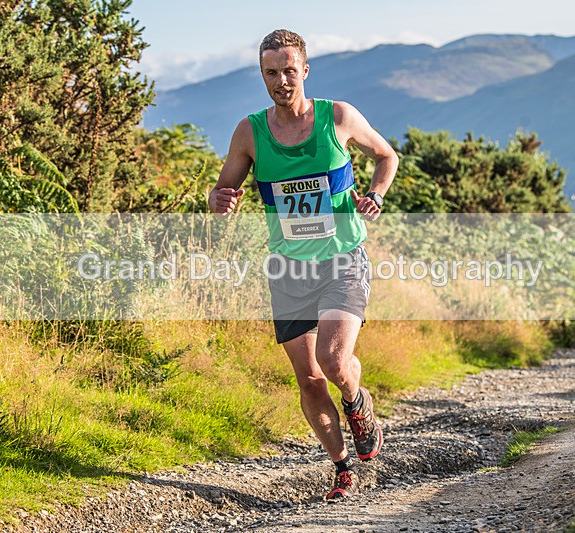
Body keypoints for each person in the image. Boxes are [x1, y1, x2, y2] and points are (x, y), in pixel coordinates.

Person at [208, 29, 398, 501]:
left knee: (334, 361)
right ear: (262, 75)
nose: (281, 81)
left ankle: (357, 401)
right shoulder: (250, 131)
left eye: (289, 70)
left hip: (342, 259)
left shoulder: (338, 116)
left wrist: (374, 194)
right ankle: (342, 468)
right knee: (309, 378)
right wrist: (220, 199)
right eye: (271, 73)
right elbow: (221, 189)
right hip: (289, 270)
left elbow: (386, 156)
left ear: (305, 70)